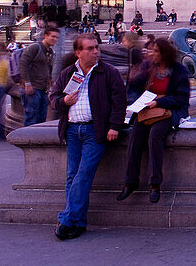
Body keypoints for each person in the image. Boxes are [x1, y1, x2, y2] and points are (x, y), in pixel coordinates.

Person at [50, 34, 127, 240]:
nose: (96, 52)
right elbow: (53, 98)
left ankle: (66, 219)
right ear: (78, 52)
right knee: (72, 176)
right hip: (73, 130)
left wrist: (114, 126)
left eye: (96, 48)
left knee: (83, 175)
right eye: (90, 49)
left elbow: (120, 101)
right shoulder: (68, 73)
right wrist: (64, 101)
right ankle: (79, 222)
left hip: (96, 130)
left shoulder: (108, 72)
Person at [118, 38, 190, 204]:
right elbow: (134, 90)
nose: (152, 54)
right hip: (147, 111)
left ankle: (155, 184)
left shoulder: (179, 71)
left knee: (155, 136)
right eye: (151, 51)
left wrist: (159, 102)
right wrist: (136, 95)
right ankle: (130, 182)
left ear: (165, 53)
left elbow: (182, 98)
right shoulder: (148, 68)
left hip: (167, 112)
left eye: (156, 51)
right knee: (135, 135)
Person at [20, 27, 58, 127]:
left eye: (56, 37)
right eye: (52, 37)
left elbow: (48, 68)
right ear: (45, 36)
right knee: (31, 117)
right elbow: (23, 64)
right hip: (32, 88)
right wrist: (27, 83)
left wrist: (50, 81)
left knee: (42, 117)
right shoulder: (35, 48)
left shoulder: (51, 52)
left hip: (43, 88)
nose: (55, 39)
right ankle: (28, 140)